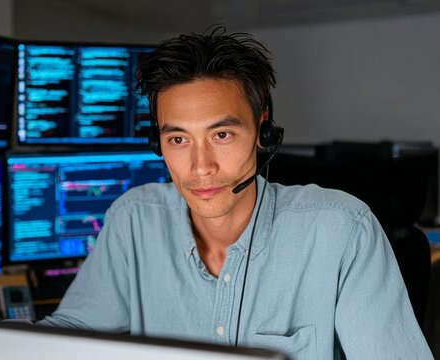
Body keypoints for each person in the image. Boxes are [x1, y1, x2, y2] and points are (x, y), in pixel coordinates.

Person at [38, 27, 433, 359]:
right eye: (178, 138)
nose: (200, 166)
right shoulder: (134, 219)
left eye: (221, 134)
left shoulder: (341, 231)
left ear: (263, 132)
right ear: (158, 144)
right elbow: (72, 330)